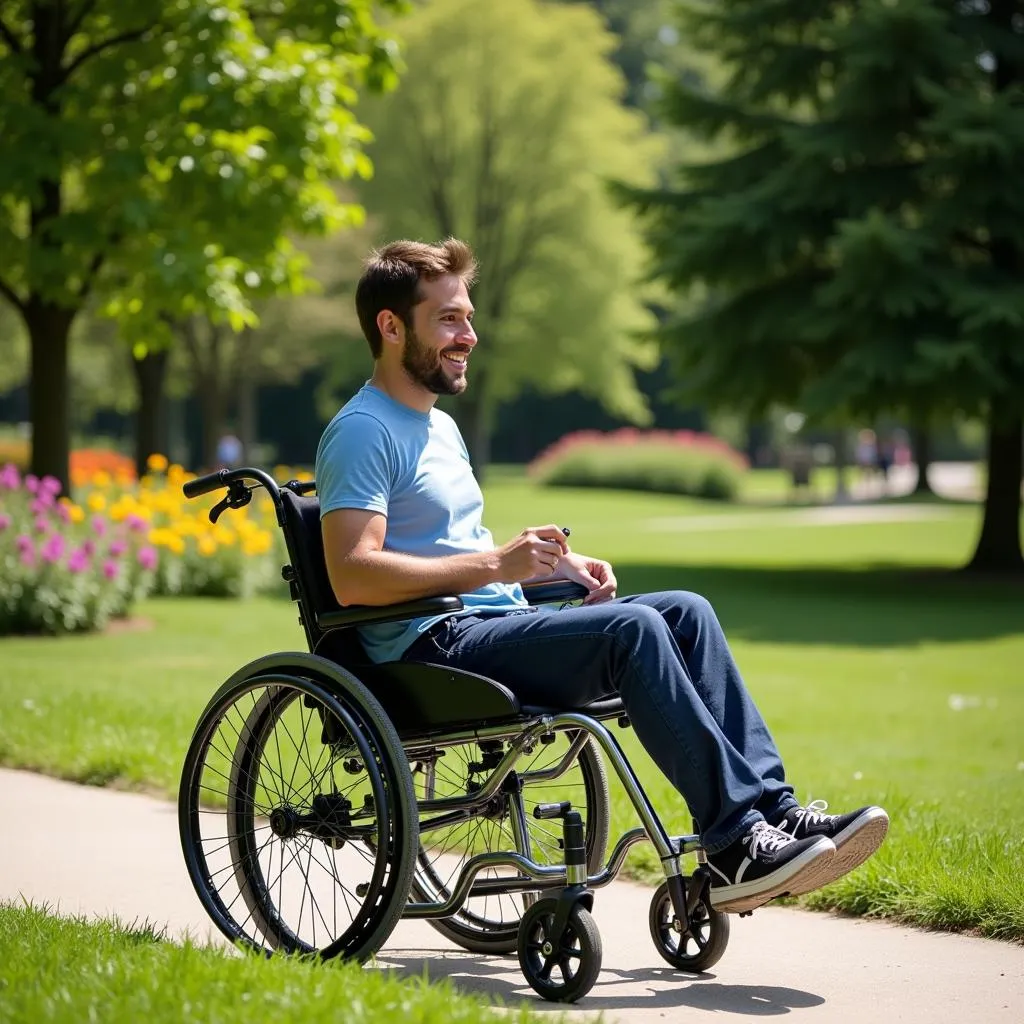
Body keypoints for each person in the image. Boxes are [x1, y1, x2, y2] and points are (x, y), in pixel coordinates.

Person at [315, 239, 889, 915]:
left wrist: (545, 569)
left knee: (685, 610)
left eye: (468, 317)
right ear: (390, 326)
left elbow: (459, 558)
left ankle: (776, 814)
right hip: (427, 651)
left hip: (485, 626)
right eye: (448, 319)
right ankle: (734, 843)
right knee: (635, 629)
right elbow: (353, 575)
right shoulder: (361, 430)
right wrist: (500, 562)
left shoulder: (437, 428)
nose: (469, 335)